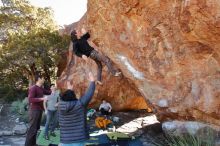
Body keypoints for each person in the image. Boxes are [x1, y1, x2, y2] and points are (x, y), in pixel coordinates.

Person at [59, 72, 96, 146]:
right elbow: (89, 94)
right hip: (79, 139)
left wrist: (69, 89)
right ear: (74, 97)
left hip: (65, 140)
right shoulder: (80, 104)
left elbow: (66, 98)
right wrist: (92, 81)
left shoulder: (60, 107)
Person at [25, 74, 51, 146]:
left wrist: (54, 87)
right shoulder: (33, 88)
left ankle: (33, 144)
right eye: (42, 78)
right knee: (32, 130)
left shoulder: (41, 88)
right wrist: (42, 98)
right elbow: (30, 99)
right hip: (34, 111)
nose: (44, 79)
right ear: (39, 79)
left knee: (36, 128)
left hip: (39, 110)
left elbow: (49, 92)